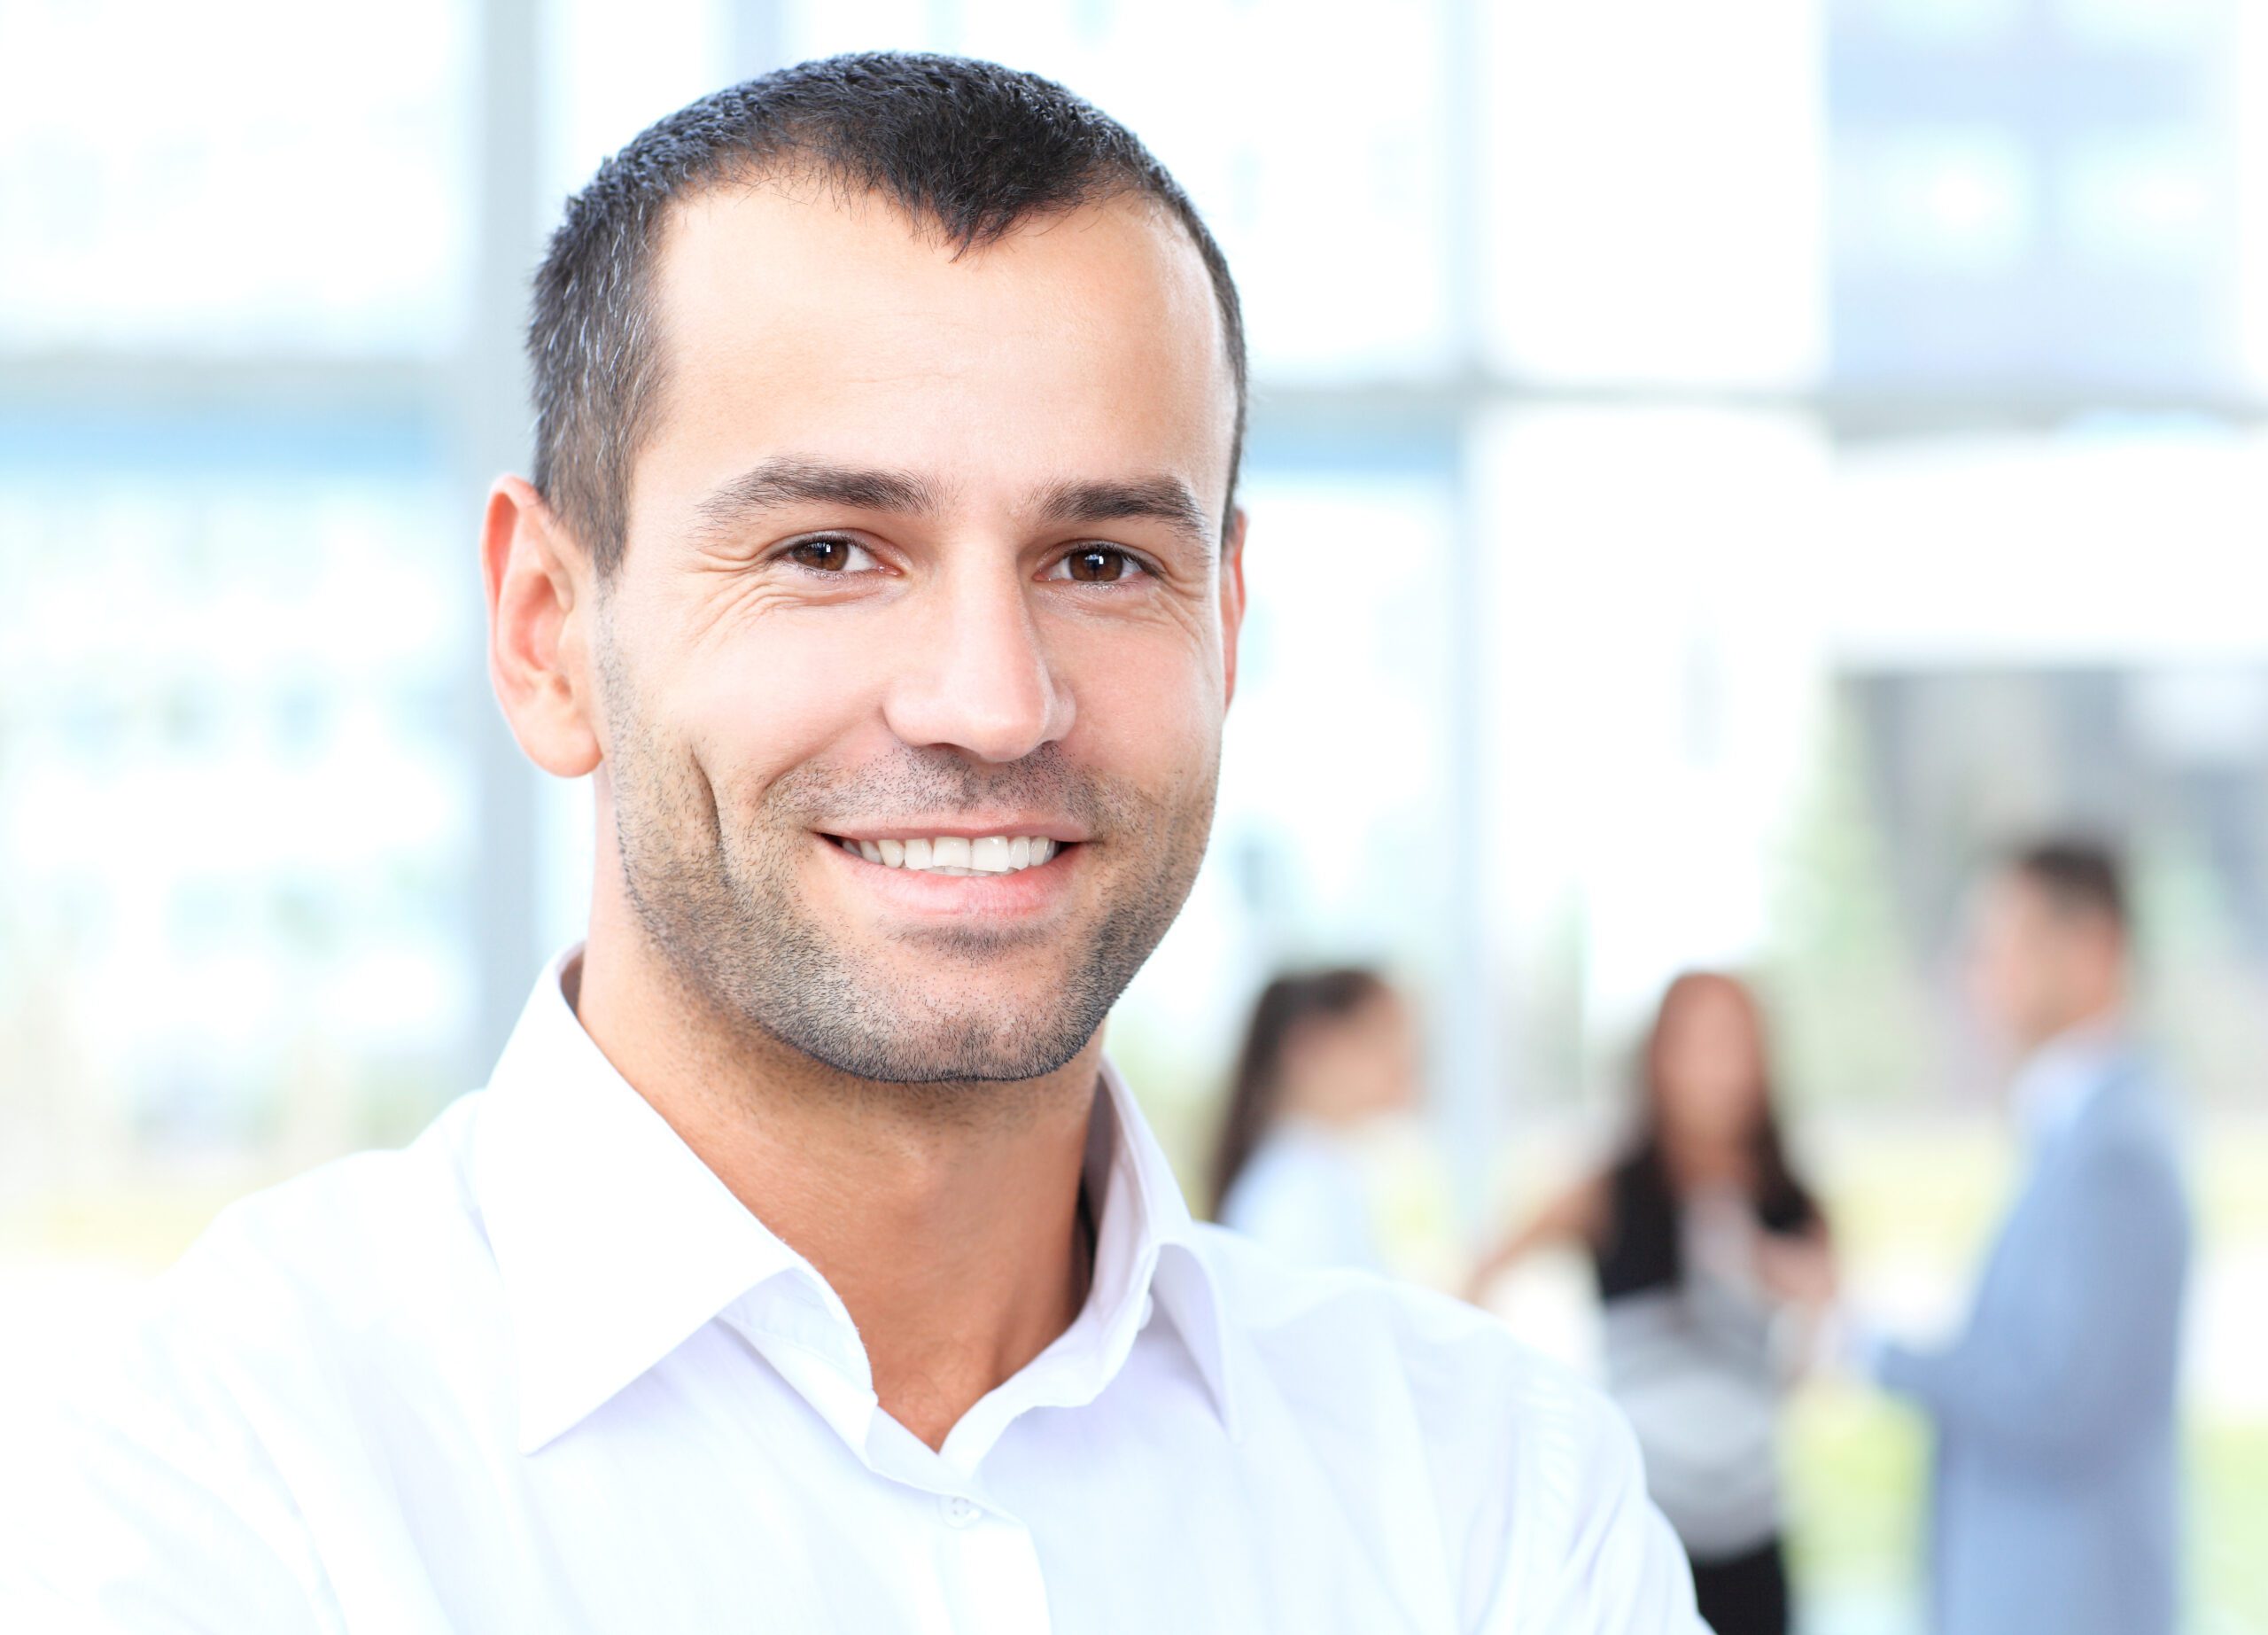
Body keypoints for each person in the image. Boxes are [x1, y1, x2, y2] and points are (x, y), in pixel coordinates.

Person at [0, 54, 1705, 1631]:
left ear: (1228, 628)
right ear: (546, 633)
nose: (990, 701)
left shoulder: (1491, 1494)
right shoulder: (210, 1481)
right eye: (829, 550)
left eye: (1101, 559)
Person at [1852, 840, 2192, 1635]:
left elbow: (2058, 1395)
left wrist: (1866, 1347)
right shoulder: (2070, 1135)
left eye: (1997, 943)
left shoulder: (2117, 1153)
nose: (1974, 973)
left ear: (2091, 951)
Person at [1468, 971, 1836, 1635]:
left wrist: (1784, 1281)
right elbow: (1480, 1272)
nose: (1716, 1066)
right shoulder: (1608, 1188)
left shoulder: (1791, 1201)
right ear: (1657, 1057)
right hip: (1642, 1524)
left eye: (1734, 1042)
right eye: (1697, 1043)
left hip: (1753, 1531)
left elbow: (1816, 1362)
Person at [1209, 967, 1418, 1272]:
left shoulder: (1321, 1174)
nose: (1403, 1062)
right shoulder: (1294, 1194)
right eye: (1382, 1036)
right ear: (1310, 1046)